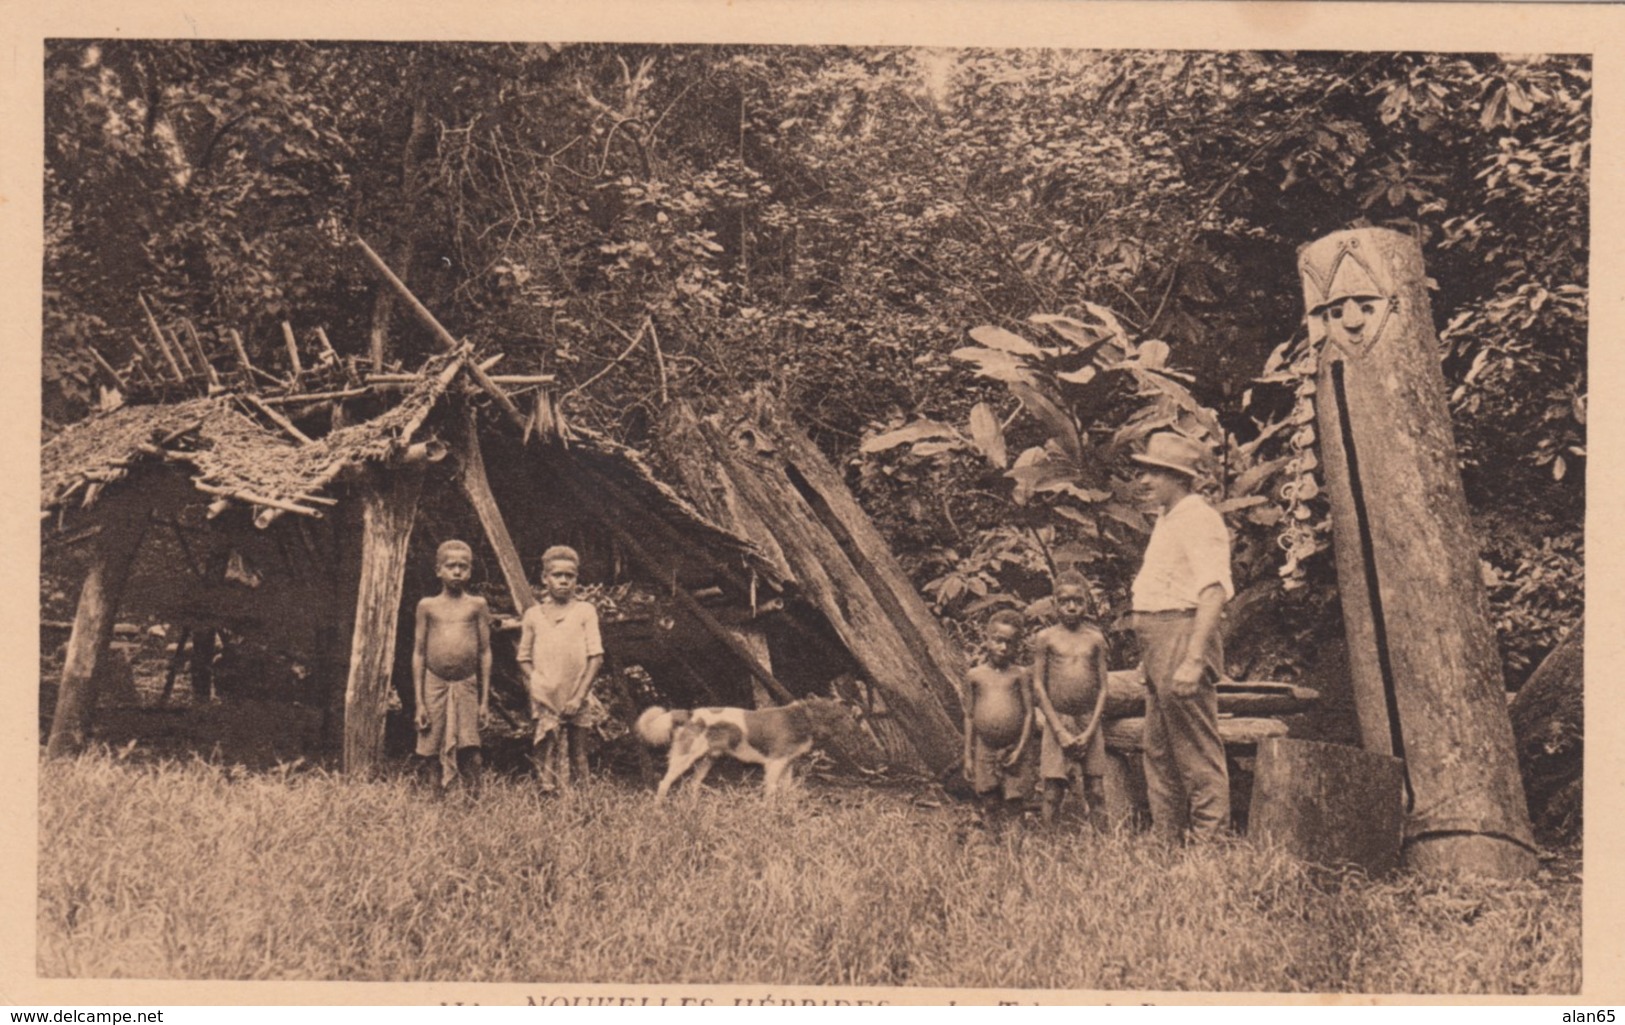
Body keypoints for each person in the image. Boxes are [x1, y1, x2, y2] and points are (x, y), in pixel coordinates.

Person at [1129, 432, 1234, 843]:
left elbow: (1213, 590)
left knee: (1195, 748)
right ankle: (1166, 837)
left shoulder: (1198, 517)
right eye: (1145, 470)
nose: (1145, 480)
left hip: (1181, 636)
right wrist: (1149, 655)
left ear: (1180, 478)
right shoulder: (1169, 516)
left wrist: (1192, 659)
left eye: (1156, 472)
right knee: (1158, 747)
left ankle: (1211, 840)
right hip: (1159, 641)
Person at [517, 545, 604, 790]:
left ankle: (584, 805)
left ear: (577, 578)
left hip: (575, 695)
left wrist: (578, 697)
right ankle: (546, 801)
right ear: (545, 578)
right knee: (545, 750)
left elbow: (595, 657)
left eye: (570, 576)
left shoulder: (585, 611)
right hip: (545, 696)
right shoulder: (533, 615)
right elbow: (523, 658)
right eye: (557, 575)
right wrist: (539, 684)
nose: (564, 581)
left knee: (579, 754)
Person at [1032, 571, 1110, 831]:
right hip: (1058, 721)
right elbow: (1039, 686)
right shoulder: (1046, 638)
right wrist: (1059, 730)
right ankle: (1049, 845)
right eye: (1065, 601)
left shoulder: (1096, 639)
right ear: (1055, 603)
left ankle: (1104, 847)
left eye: (1078, 600)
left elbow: (1102, 688)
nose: (1072, 607)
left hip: (1088, 720)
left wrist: (1090, 731)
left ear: (1087, 602)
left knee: (1096, 790)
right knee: (1053, 790)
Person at [412, 540, 492, 790]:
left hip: (466, 683)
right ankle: (433, 798)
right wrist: (419, 702)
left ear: (470, 571)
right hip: (434, 683)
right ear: (438, 570)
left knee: (471, 748)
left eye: (463, 566)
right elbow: (419, 653)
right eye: (451, 566)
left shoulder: (477, 605)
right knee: (429, 748)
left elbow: (485, 652)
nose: (457, 571)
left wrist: (484, 701)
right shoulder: (427, 606)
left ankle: (473, 800)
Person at [962, 609, 1037, 831]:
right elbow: (969, 715)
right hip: (985, 748)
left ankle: (1016, 850)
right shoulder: (975, 676)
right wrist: (968, 755)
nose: (1004, 648)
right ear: (987, 640)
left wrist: (1020, 750)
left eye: (1010, 643)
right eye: (998, 641)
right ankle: (992, 842)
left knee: (1015, 801)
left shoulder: (1020, 675)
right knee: (989, 798)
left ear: (1018, 646)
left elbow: (1029, 714)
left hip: (1014, 746)